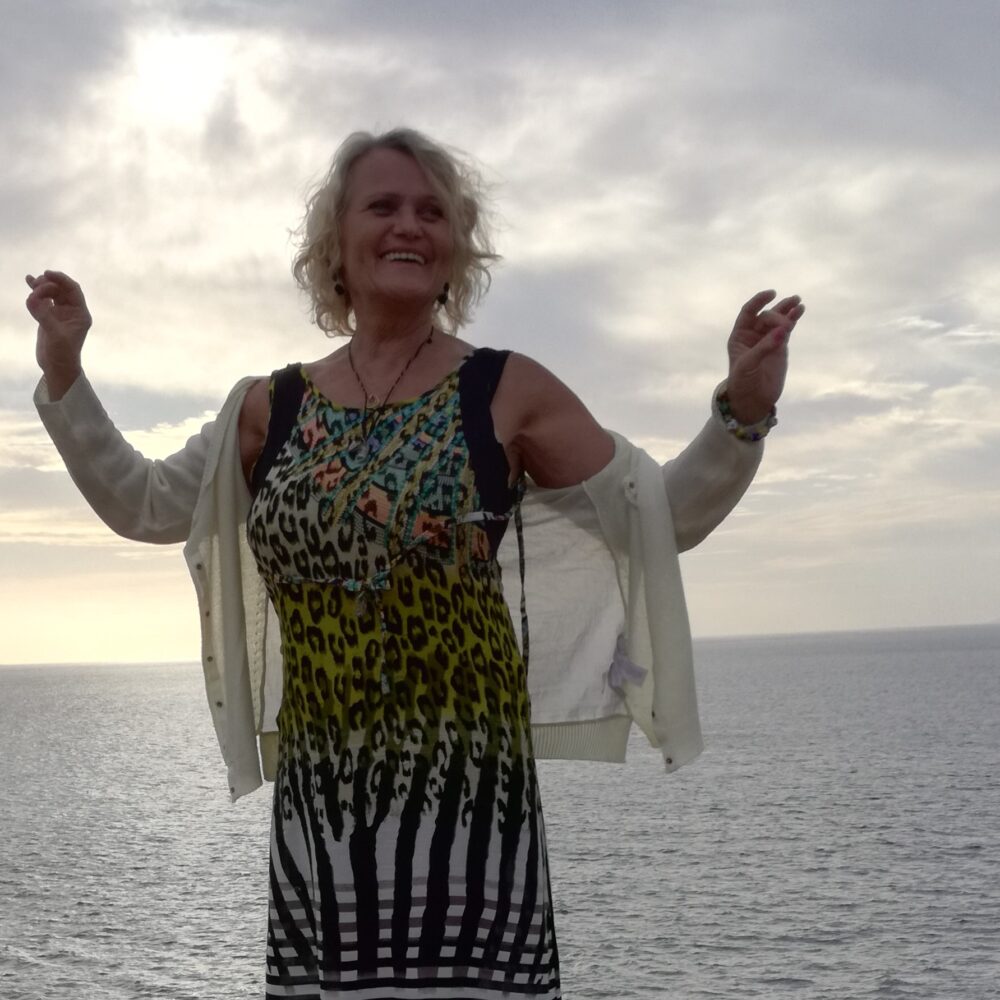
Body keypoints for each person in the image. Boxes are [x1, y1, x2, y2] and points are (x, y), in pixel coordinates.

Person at [27, 127, 804, 999]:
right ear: (336, 243)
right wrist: (66, 372)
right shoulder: (269, 407)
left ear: (456, 249)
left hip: (466, 807)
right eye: (384, 206)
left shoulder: (505, 389)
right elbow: (143, 503)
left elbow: (658, 516)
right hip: (325, 810)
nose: (409, 225)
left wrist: (742, 412)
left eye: (432, 212)